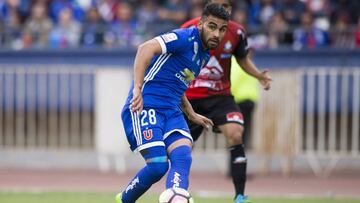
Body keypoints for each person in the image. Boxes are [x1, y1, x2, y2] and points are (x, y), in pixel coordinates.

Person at [115, 4, 230, 203]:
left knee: (183, 156)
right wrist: (137, 89)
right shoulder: (183, 38)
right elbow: (145, 48)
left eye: (222, 29)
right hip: (146, 105)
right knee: (158, 166)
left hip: (172, 110)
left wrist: (190, 112)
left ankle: (177, 198)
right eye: (212, 26)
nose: (217, 34)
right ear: (201, 24)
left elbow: (178, 83)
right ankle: (124, 199)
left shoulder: (204, 54)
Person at [181, 1, 272, 203]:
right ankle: (179, 192)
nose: (225, 9)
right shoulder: (189, 28)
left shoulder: (237, 33)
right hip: (192, 98)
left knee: (236, 132)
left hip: (220, 97)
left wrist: (258, 75)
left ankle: (240, 195)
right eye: (220, 4)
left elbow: (242, 59)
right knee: (182, 146)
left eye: (228, 5)